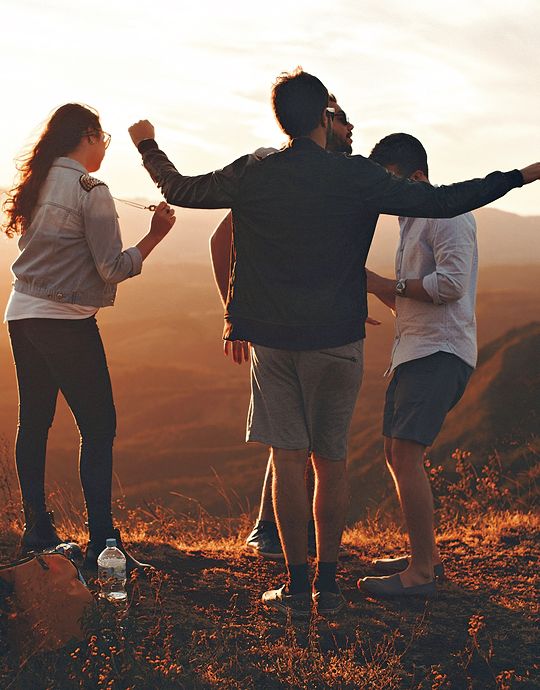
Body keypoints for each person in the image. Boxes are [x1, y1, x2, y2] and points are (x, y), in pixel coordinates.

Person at [128, 67, 538, 618]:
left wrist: (147, 144)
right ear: (324, 115)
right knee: (332, 463)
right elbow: (444, 201)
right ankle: (329, 585)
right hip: (339, 338)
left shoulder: (255, 169)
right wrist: (523, 173)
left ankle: (297, 590)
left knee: (288, 456)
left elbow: (181, 190)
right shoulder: (354, 176)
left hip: (273, 339)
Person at [2, 103, 176, 572]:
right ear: (88, 136)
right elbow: (112, 267)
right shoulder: (91, 189)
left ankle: (37, 531)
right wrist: (156, 235)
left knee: (34, 422)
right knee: (98, 427)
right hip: (67, 320)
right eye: (103, 140)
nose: (104, 149)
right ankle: (103, 542)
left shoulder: (38, 181)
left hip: (21, 312)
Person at [209, 94, 356, 561]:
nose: (352, 129)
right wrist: (235, 313)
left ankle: (285, 538)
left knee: (298, 437)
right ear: (321, 121)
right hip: (277, 325)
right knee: (291, 437)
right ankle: (271, 531)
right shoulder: (274, 169)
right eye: (342, 119)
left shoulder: (328, 178)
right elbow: (221, 238)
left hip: (313, 322)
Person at [356, 133, 479, 598]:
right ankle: (423, 555)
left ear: (418, 177)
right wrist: (372, 287)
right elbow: (412, 299)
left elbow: (449, 286)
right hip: (415, 350)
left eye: (389, 180)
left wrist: (389, 283)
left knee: (406, 455)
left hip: (439, 353)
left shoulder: (445, 214)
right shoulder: (410, 221)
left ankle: (422, 573)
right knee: (396, 453)